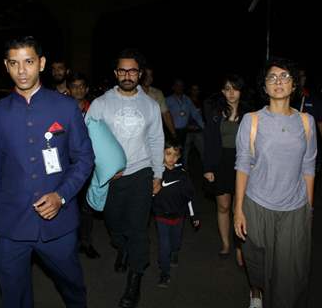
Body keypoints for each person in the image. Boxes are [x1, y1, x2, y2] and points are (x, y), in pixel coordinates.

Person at [0, 36, 94, 307]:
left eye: (28, 62)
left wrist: (61, 196)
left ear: (41, 64)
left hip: (58, 224)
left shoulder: (66, 107)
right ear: (6, 66)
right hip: (9, 226)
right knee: (13, 296)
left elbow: (85, 159)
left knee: (73, 289)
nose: (22, 70)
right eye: (14, 63)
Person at [234, 57, 317, 308]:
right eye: (272, 77)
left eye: (285, 77)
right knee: (256, 261)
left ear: (294, 86)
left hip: (294, 208)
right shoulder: (252, 120)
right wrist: (238, 209)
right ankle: (256, 292)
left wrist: (309, 210)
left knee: (289, 272)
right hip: (257, 204)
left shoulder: (306, 121)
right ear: (265, 87)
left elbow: (309, 166)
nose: (278, 81)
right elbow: (242, 165)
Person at [85, 48, 164, 308]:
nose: (127, 75)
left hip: (140, 174)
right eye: (123, 70)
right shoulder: (101, 103)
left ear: (140, 74)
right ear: (116, 73)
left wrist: (158, 173)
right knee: (114, 225)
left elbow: (155, 140)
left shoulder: (150, 105)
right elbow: (88, 140)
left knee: (138, 229)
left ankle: (135, 279)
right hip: (111, 178)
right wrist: (102, 168)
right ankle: (123, 247)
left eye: (133, 70)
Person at [203, 74, 251, 265]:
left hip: (242, 163)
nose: (231, 93)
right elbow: (208, 140)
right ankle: (225, 244)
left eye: (235, 88)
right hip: (219, 162)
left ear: (241, 91)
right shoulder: (214, 111)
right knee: (223, 206)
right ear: (222, 91)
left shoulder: (249, 113)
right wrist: (207, 167)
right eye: (227, 89)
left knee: (238, 208)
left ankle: (240, 248)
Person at [152, 138, 200, 288]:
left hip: (179, 216)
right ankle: (164, 273)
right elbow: (148, 194)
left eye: (175, 155)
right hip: (161, 216)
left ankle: (175, 252)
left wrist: (194, 215)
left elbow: (190, 197)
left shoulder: (183, 175)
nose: (171, 158)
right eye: (168, 153)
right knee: (163, 245)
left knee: (175, 241)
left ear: (179, 156)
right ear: (161, 154)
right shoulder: (155, 173)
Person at [67, 71, 100, 259]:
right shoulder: (61, 108)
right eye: (74, 86)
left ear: (86, 89)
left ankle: (86, 243)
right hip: (68, 165)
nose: (78, 89)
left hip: (90, 164)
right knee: (68, 204)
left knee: (87, 206)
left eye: (81, 86)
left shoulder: (96, 108)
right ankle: (70, 244)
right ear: (69, 90)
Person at [292, 68, 322, 172]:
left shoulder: (313, 100)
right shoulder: (284, 98)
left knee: (308, 185)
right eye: (297, 76)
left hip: (308, 155)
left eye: (302, 76)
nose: (300, 79)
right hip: (287, 153)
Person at [165, 79, 204, 165]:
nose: (180, 87)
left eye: (181, 86)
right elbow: (163, 115)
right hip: (171, 131)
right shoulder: (168, 100)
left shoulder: (187, 99)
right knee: (170, 152)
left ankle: (181, 171)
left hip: (183, 131)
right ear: (173, 87)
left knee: (181, 152)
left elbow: (195, 114)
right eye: (177, 85)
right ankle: (169, 172)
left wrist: (203, 126)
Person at [141, 67, 177, 138]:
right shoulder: (132, 91)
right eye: (146, 75)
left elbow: (166, 114)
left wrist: (173, 134)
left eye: (150, 75)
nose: (148, 78)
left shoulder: (158, 93)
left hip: (153, 135)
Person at [184, 83, 205, 166]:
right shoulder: (185, 101)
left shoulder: (202, 102)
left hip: (198, 131)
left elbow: (203, 117)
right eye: (193, 89)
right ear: (190, 91)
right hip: (187, 131)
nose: (195, 91)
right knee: (184, 153)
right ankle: (183, 171)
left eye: (196, 89)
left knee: (203, 152)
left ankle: (206, 171)